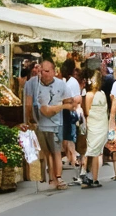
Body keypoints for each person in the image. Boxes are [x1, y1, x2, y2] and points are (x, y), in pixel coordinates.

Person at [31, 57, 68, 190]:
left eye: (47, 71)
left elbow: (69, 102)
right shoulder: (35, 85)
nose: (44, 74)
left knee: (56, 152)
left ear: (53, 71)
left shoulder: (61, 84)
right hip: (41, 125)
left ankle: (58, 177)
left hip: (56, 125)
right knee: (47, 153)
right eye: (42, 71)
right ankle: (52, 177)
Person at [83, 71, 114, 188]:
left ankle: (86, 175)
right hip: (102, 125)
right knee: (96, 152)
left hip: (93, 126)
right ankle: (95, 178)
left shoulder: (89, 95)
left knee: (90, 151)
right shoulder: (102, 94)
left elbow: (87, 111)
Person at [60, 58, 82, 175]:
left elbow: (75, 98)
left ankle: (73, 158)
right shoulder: (68, 81)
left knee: (70, 135)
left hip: (70, 111)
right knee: (68, 135)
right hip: (67, 110)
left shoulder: (71, 82)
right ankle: (71, 157)